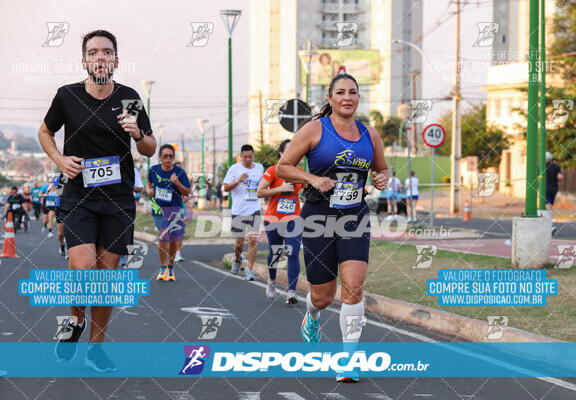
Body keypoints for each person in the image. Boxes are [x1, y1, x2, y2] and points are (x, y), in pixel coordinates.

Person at [38, 29, 156, 372]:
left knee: (106, 278)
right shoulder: (67, 96)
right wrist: (60, 160)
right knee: (83, 266)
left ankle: (96, 347)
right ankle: (76, 322)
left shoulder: (129, 98)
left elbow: (148, 148)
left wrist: (138, 133)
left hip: (118, 198)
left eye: (107, 52)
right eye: (94, 52)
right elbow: (44, 132)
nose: (100, 58)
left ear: (116, 60)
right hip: (79, 194)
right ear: (85, 60)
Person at [277, 73, 389, 383]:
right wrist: (312, 179)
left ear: (358, 98)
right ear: (330, 98)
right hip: (318, 216)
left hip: (354, 216)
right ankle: (312, 316)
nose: (347, 97)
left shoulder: (370, 134)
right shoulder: (314, 129)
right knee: (323, 296)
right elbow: (283, 167)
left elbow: (382, 170)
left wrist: (382, 178)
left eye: (353, 92)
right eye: (340, 92)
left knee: (353, 288)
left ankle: (348, 361)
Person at [256, 139, 303, 304]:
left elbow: (309, 186)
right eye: (289, 150)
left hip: (294, 218)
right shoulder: (273, 171)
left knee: (293, 252)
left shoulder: (300, 172)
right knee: (274, 252)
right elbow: (260, 192)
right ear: (281, 153)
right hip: (273, 218)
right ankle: (272, 280)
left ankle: (291, 291)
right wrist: (279, 189)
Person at [147, 145, 191, 281]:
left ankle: (170, 268)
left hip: (174, 209)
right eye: (165, 156)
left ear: (173, 157)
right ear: (160, 157)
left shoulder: (180, 172)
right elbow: (148, 181)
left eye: (170, 156)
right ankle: (162, 267)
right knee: (163, 236)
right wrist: (149, 189)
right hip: (159, 208)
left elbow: (187, 191)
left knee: (172, 241)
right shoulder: (154, 170)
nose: (168, 159)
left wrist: (177, 183)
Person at [223, 144, 264, 281]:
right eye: (245, 157)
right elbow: (226, 188)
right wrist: (238, 180)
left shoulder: (259, 168)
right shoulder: (234, 169)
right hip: (238, 210)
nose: (248, 159)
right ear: (241, 157)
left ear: (253, 156)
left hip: (254, 209)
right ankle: (237, 260)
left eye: (250, 156)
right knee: (239, 244)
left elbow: (263, 184)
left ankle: (249, 270)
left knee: (253, 240)